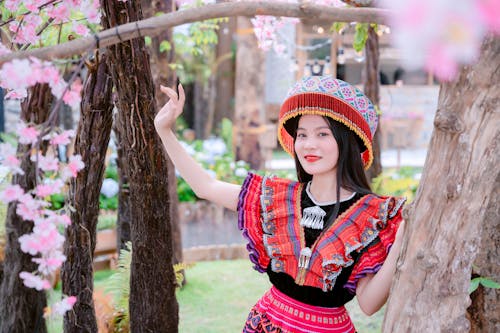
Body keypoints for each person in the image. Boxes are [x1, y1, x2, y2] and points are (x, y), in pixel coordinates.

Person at [154, 75, 406, 333]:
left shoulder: (371, 215)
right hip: (267, 323)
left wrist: (400, 241)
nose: (309, 144)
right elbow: (205, 187)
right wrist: (164, 130)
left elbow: (369, 304)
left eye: (322, 134)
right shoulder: (277, 199)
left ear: (347, 140)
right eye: (302, 134)